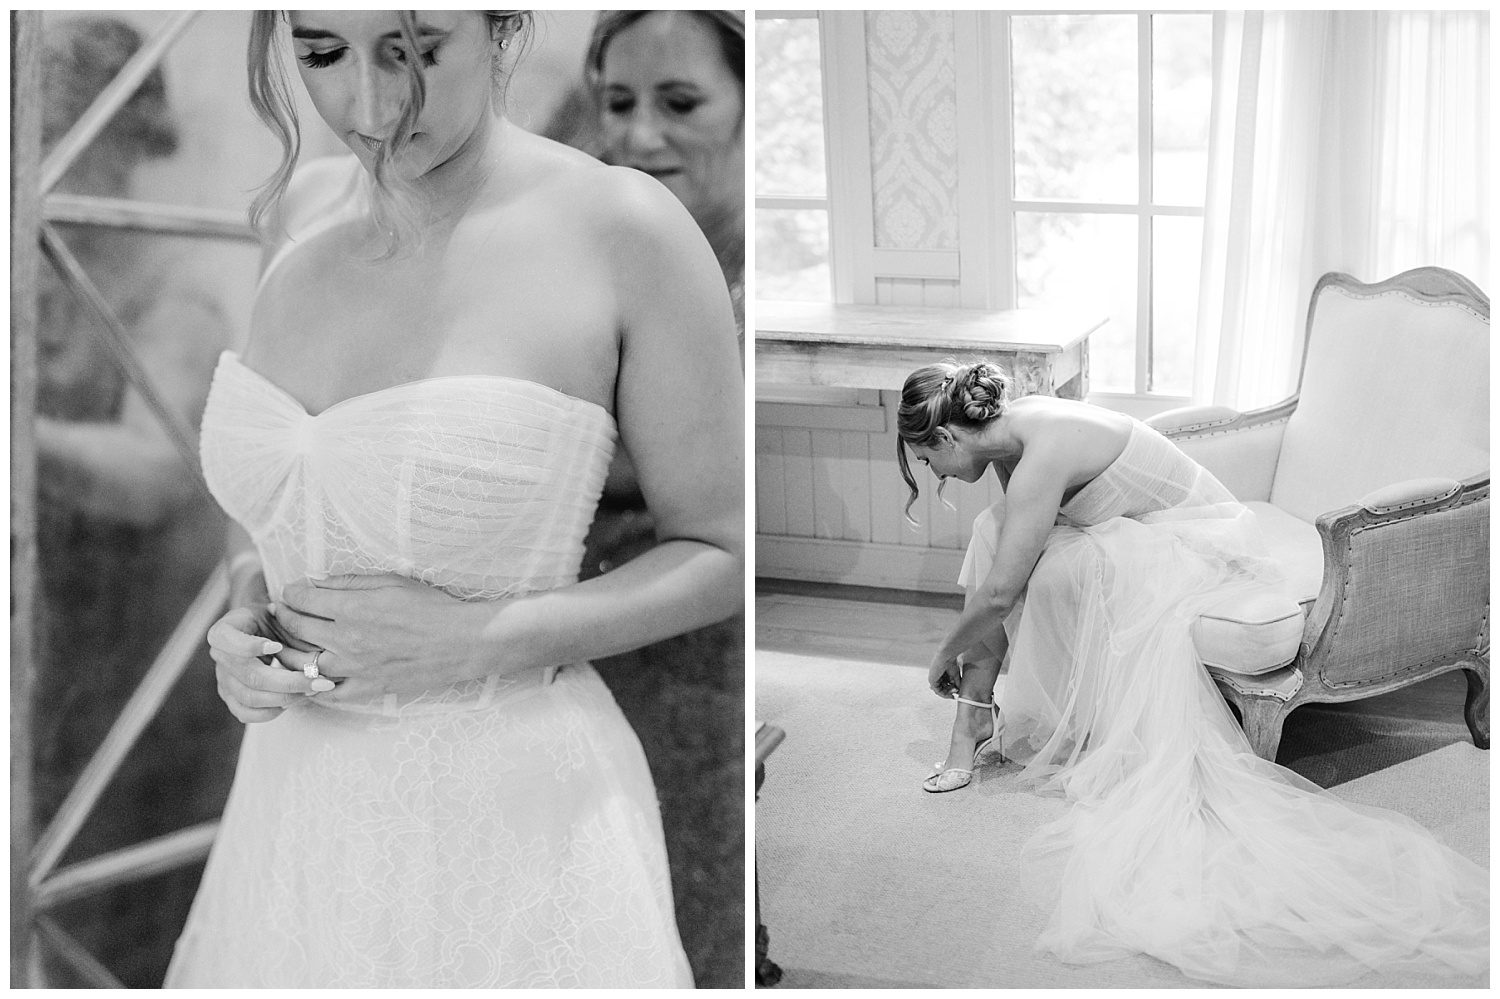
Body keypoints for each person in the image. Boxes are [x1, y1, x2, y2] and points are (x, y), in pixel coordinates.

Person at [166, 10, 742, 988]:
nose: (374, 105)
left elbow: (723, 550)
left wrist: (487, 637)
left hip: (510, 811)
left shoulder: (621, 228)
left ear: (503, 29)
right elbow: (276, 503)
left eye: (416, 51)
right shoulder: (298, 213)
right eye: (320, 55)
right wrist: (241, 619)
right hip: (293, 804)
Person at [898, 359, 1487, 986]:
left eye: (927, 460)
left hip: (1196, 541)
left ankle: (972, 712)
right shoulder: (1010, 440)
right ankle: (974, 714)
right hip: (1130, 531)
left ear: (947, 437)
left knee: (1009, 560)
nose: (934, 475)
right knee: (993, 533)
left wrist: (938, 656)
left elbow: (997, 596)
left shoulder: (1041, 446)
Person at [33, 15, 235, 985]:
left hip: (151, 670)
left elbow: (153, 472)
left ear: (119, 132)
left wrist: (19, 441)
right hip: (61, 644)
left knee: (120, 918)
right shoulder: (33, 263)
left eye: (57, 121)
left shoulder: (172, 283)